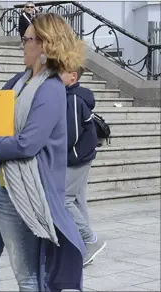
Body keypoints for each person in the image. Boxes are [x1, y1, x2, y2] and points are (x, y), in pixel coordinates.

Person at [0, 13, 87, 291]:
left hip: (19, 192)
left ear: (45, 45)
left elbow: (28, 143)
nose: (23, 44)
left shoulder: (51, 89)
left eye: (27, 39)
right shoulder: (19, 81)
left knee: (27, 274)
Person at [60, 67, 107, 266]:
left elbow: (73, 135)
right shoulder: (72, 95)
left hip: (77, 158)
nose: (55, 75)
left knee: (64, 200)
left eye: (60, 72)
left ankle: (90, 239)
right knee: (78, 200)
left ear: (73, 76)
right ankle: (83, 244)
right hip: (82, 156)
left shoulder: (73, 98)